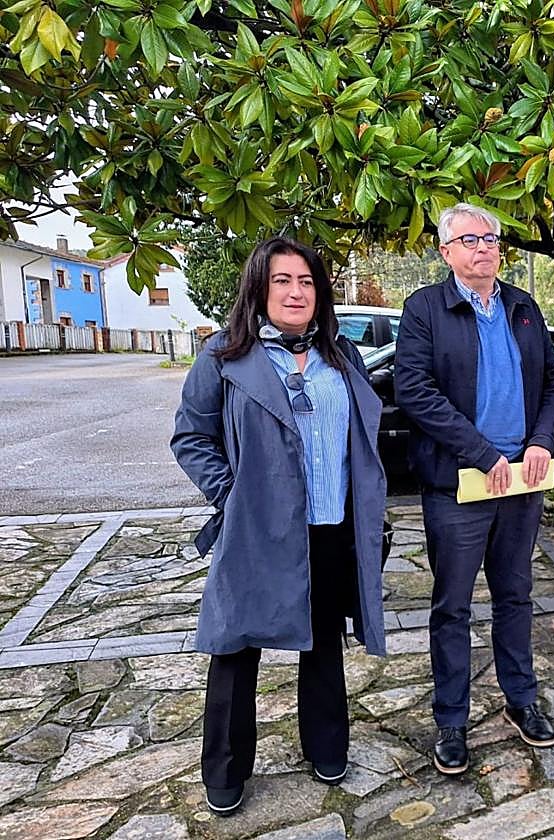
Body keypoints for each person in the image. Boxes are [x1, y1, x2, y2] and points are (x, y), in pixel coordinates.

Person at [172, 237, 388, 816]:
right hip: (256, 530)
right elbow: (192, 438)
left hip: (329, 526)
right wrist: (232, 496)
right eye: (282, 281)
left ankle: (327, 745)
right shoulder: (224, 357)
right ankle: (225, 769)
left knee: (323, 642)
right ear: (258, 289)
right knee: (236, 645)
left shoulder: (341, 355)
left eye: (307, 282)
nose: (296, 292)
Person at [392, 203, 554, 774]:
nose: (484, 247)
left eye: (490, 237)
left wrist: (541, 441)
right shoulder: (424, 310)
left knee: (515, 596)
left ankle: (521, 700)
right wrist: (481, 452)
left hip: (521, 479)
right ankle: (452, 721)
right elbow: (414, 391)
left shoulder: (522, 307)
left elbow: (552, 383)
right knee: (453, 606)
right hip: (459, 483)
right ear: (446, 252)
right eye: (469, 239)